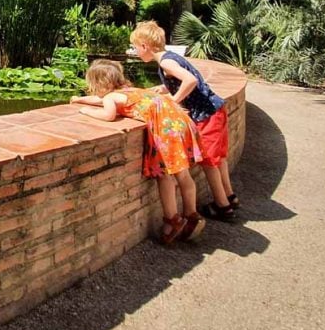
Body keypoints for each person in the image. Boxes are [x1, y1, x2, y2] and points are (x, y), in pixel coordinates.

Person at [71, 59, 205, 245]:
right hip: (180, 123)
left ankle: (172, 221)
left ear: (97, 83)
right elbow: (101, 100)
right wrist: (79, 99)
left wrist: (85, 111)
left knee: (165, 175)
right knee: (183, 175)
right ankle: (192, 214)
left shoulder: (111, 97)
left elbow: (108, 115)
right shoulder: (131, 91)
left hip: (166, 132)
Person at [130, 20, 240, 221]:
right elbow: (182, 80)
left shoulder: (166, 62)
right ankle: (229, 197)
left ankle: (223, 207)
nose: (135, 51)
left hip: (205, 114)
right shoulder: (170, 58)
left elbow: (191, 80)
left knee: (208, 161)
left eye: (135, 47)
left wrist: (173, 100)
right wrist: (164, 88)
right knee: (218, 158)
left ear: (145, 46)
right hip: (215, 109)